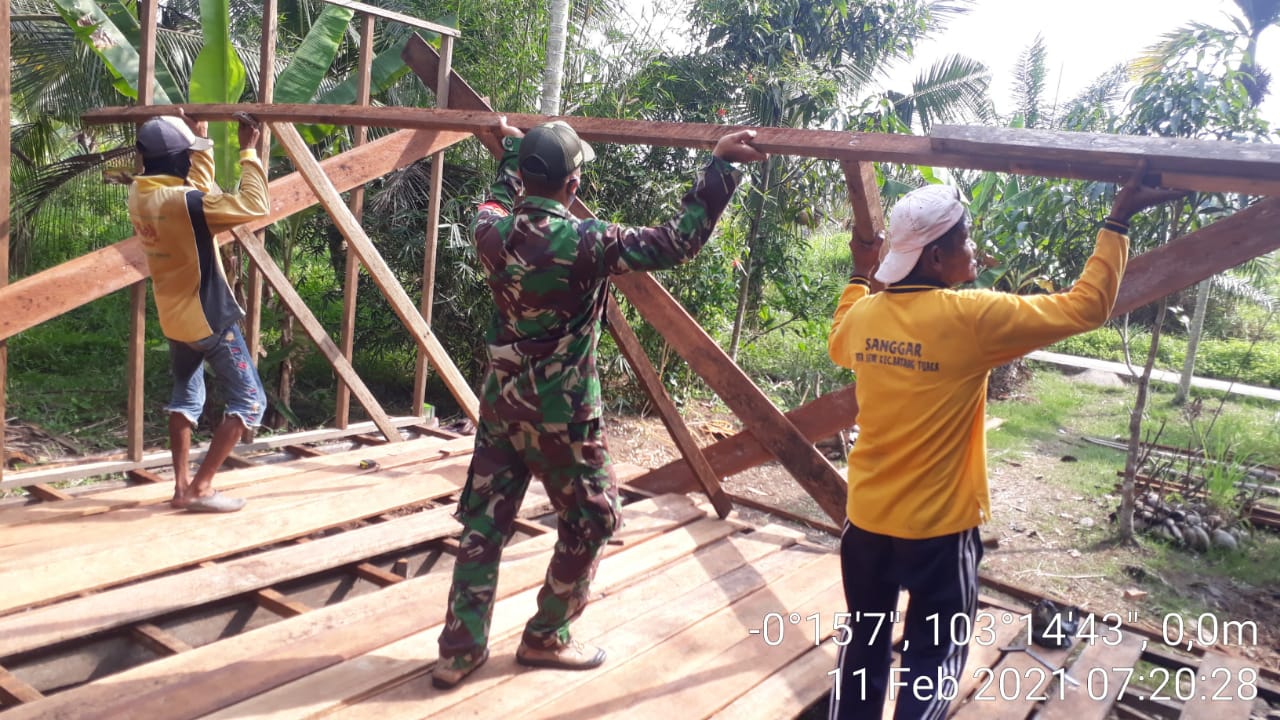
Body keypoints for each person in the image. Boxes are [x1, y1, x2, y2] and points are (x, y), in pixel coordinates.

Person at [826, 172, 1184, 719]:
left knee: (863, 649)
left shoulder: (865, 316)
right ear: (937, 258)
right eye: (966, 240)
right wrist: (1117, 221)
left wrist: (859, 271)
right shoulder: (972, 318)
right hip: (938, 534)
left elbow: (838, 340)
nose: (975, 250)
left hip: (866, 521)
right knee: (934, 655)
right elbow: (1086, 307)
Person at [433, 117, 767, 689]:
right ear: (574, 185)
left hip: (502, 407)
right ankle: (546, 636)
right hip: (563, 415)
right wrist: (720, 166)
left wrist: (512, 150)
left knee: (484, 525)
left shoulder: (489, 232)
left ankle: (458, 653)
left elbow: (492, 199)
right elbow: (678, 240)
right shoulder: (590, 242)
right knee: (593, 518)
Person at [129, 110, 270, 514]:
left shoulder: (140, 193)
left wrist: (202, 140)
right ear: (179, 160)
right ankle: (201, 487)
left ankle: (179, 488)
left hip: (174, 317)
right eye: (188, 154)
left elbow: (197, 190)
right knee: (250, 402)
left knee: (185, 398)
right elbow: (255, 204)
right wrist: (248, 152)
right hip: (209, 318)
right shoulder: (187, 203)